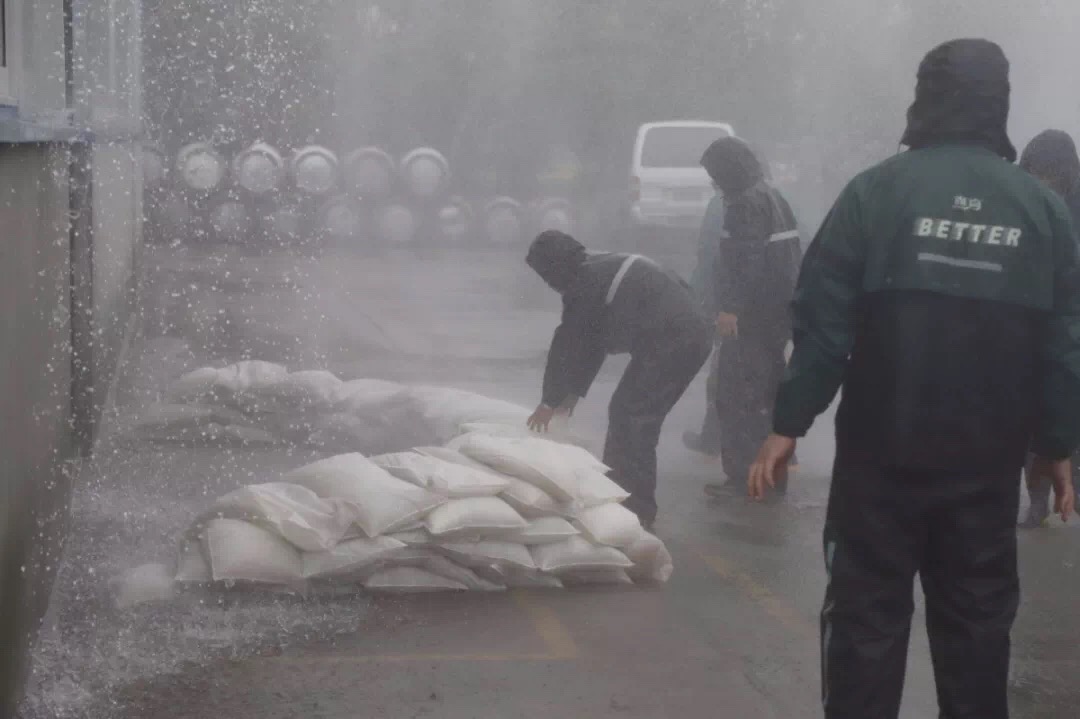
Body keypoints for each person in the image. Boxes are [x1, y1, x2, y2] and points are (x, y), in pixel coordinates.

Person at [748, 39, 1080, 719]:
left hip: (879, 464)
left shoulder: (876, 193)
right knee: (977, 632)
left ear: (925, 96)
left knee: (865, 627)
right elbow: (1064, 346)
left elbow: (822, 323)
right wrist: (1054, 444)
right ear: (999, 102)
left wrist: (788, 421)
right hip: (984, 470)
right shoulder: (1042, 214)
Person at [525, 231, 711, 528]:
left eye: (546, 274)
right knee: (628, 412)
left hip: (676, 339)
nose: (548, 283)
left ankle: (635, 507)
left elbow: (570, 344)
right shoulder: (595, 269)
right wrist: (572, 393)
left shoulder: (584, 285)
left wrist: (549, 401)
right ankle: (621, 490)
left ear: (556, 267)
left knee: (633, 416)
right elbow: (592, 343)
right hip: (683, 333)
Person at [699, 136, 802, 497]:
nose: (713, 182)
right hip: (777, 314)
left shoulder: (744, 204)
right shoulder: (772, 196)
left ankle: (744, 478)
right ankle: (772, 478)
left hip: (752, 318)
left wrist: (730, 307)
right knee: (767, 395)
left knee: (738, 396)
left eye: (714, 174)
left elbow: (745, 261)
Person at [1018, 129, 1080, 528]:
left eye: (1051, 175)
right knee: (1033, 416)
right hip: (1037, 326)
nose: (1045, 183)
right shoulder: (1024, 204)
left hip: (1069, 324)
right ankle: (1037, 500)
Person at [682, 182, 725, 458]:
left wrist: (696, 296)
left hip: (730, 304)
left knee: (723, 371)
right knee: (769, 373)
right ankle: (786, 449)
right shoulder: (781, 200)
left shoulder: (722, 204)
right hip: (772, 306)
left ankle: (712, 438)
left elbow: (708, 255)